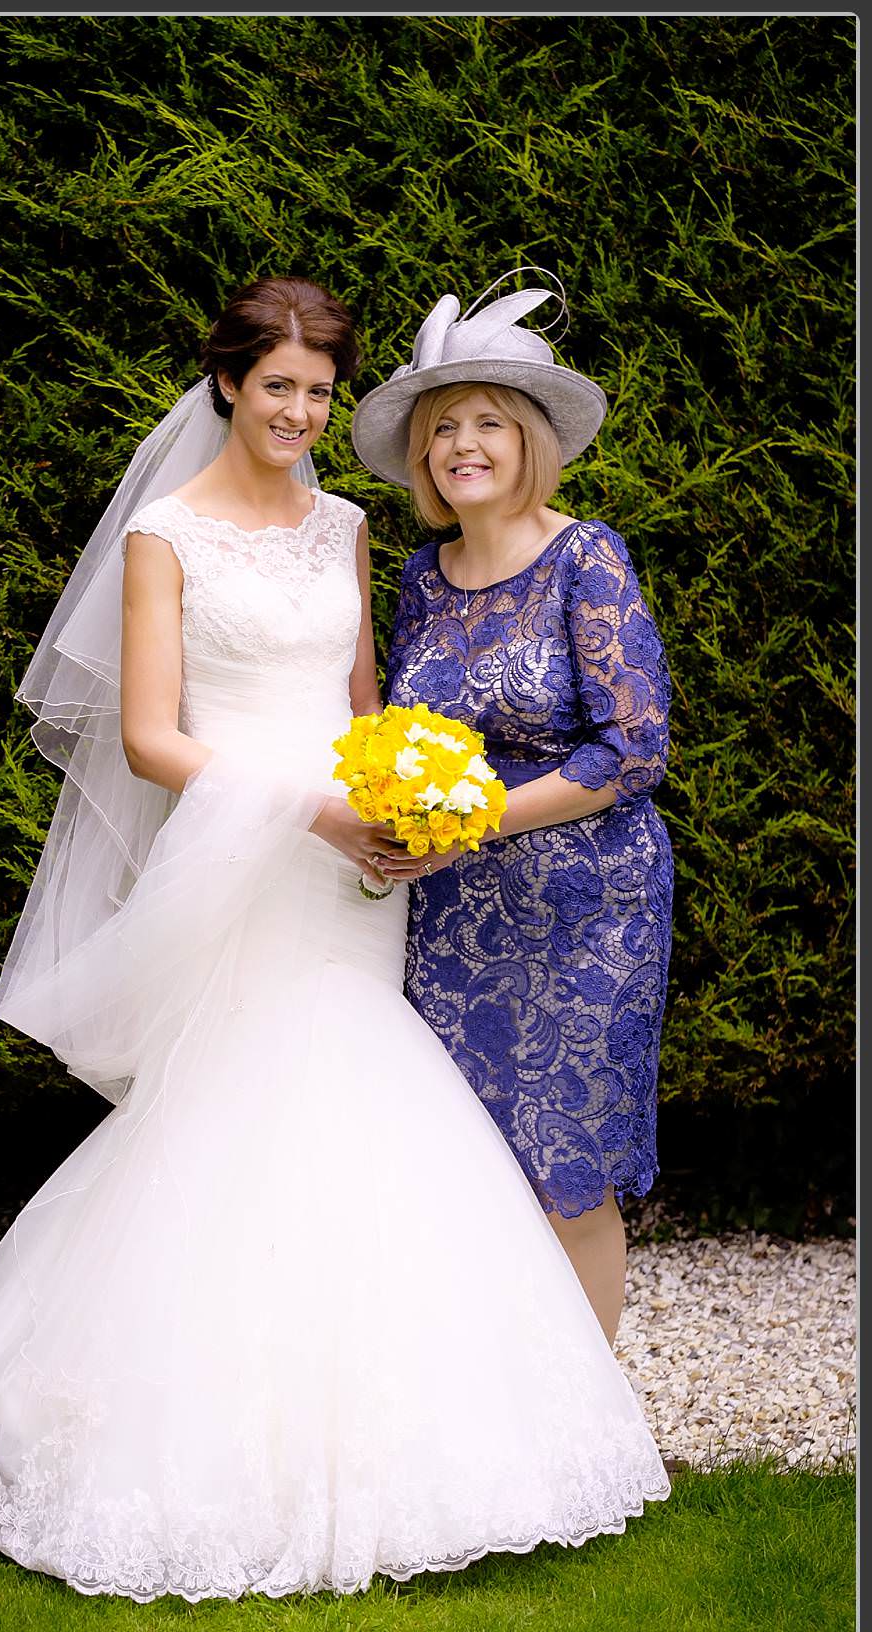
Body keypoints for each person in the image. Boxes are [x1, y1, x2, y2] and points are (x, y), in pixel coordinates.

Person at [0, 275, 668, 1603]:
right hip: (251, 846)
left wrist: (398, 802)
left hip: (356, 866)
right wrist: (315, 810)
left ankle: (417, 1436)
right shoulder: (166, 532)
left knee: (369, 1112)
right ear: (227, 385)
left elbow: (370, 704)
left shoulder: (346, 530)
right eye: (279, 386)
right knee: (234, 1106)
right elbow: (154, 740)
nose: (299, 412)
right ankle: (200, 1441)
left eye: (321, 393)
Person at [350, 273, 673, 1343]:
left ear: (531, 439)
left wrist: (477, 818)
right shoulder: (420, 579)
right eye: (444, 429)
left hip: (591, 909)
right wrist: (399, 820)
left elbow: (635, 747)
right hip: (452, 920)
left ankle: (597, 1436)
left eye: (490, 422)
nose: (463, 445)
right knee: (468, 1165)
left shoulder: (588, 557)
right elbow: (409, 737)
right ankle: (502, 1430)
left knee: (568, 1170)